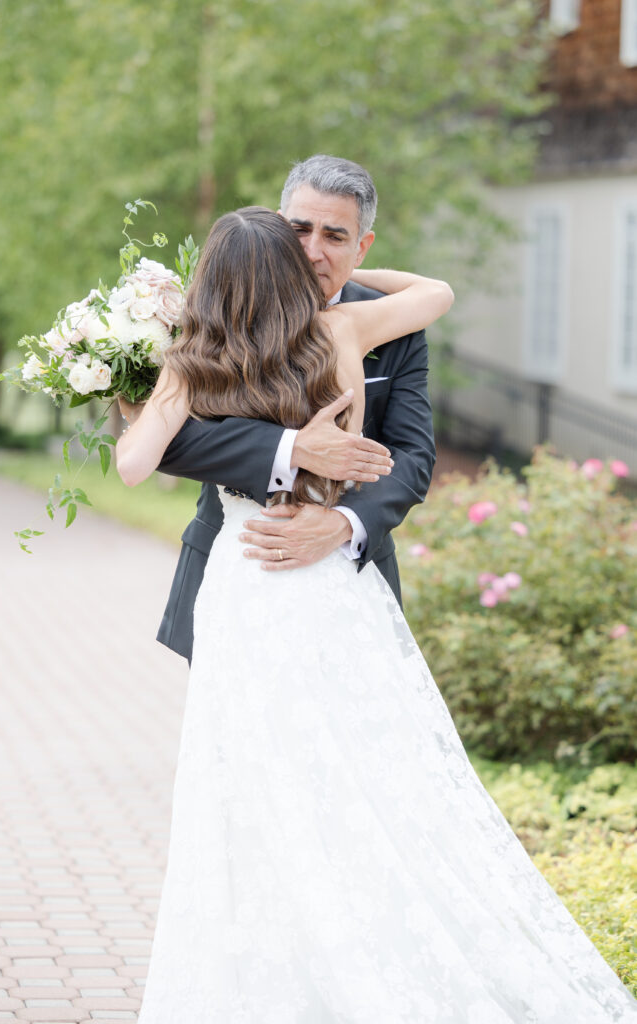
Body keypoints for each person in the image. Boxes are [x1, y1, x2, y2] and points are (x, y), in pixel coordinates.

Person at [117, 207, 637, 1022]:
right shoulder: (345, 328)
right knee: (369, 770)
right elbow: (437, 291)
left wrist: (165, 375)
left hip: (249, 580)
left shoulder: (191, 360)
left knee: (253, 776)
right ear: (290, 271)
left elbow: (134, 463)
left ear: (209, 282)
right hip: (326, 589)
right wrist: (356, 289)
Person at [153, 155, 436, 663]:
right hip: (233, 571)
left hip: (349, 580)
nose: (312, 252)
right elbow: (168, 440)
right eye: (299, 229)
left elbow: (413, 456)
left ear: (361, 245)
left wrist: (344, 523)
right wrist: (292, 448)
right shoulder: (221, 306)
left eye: (334, 236)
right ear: (278, 226)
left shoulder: (394, 324)